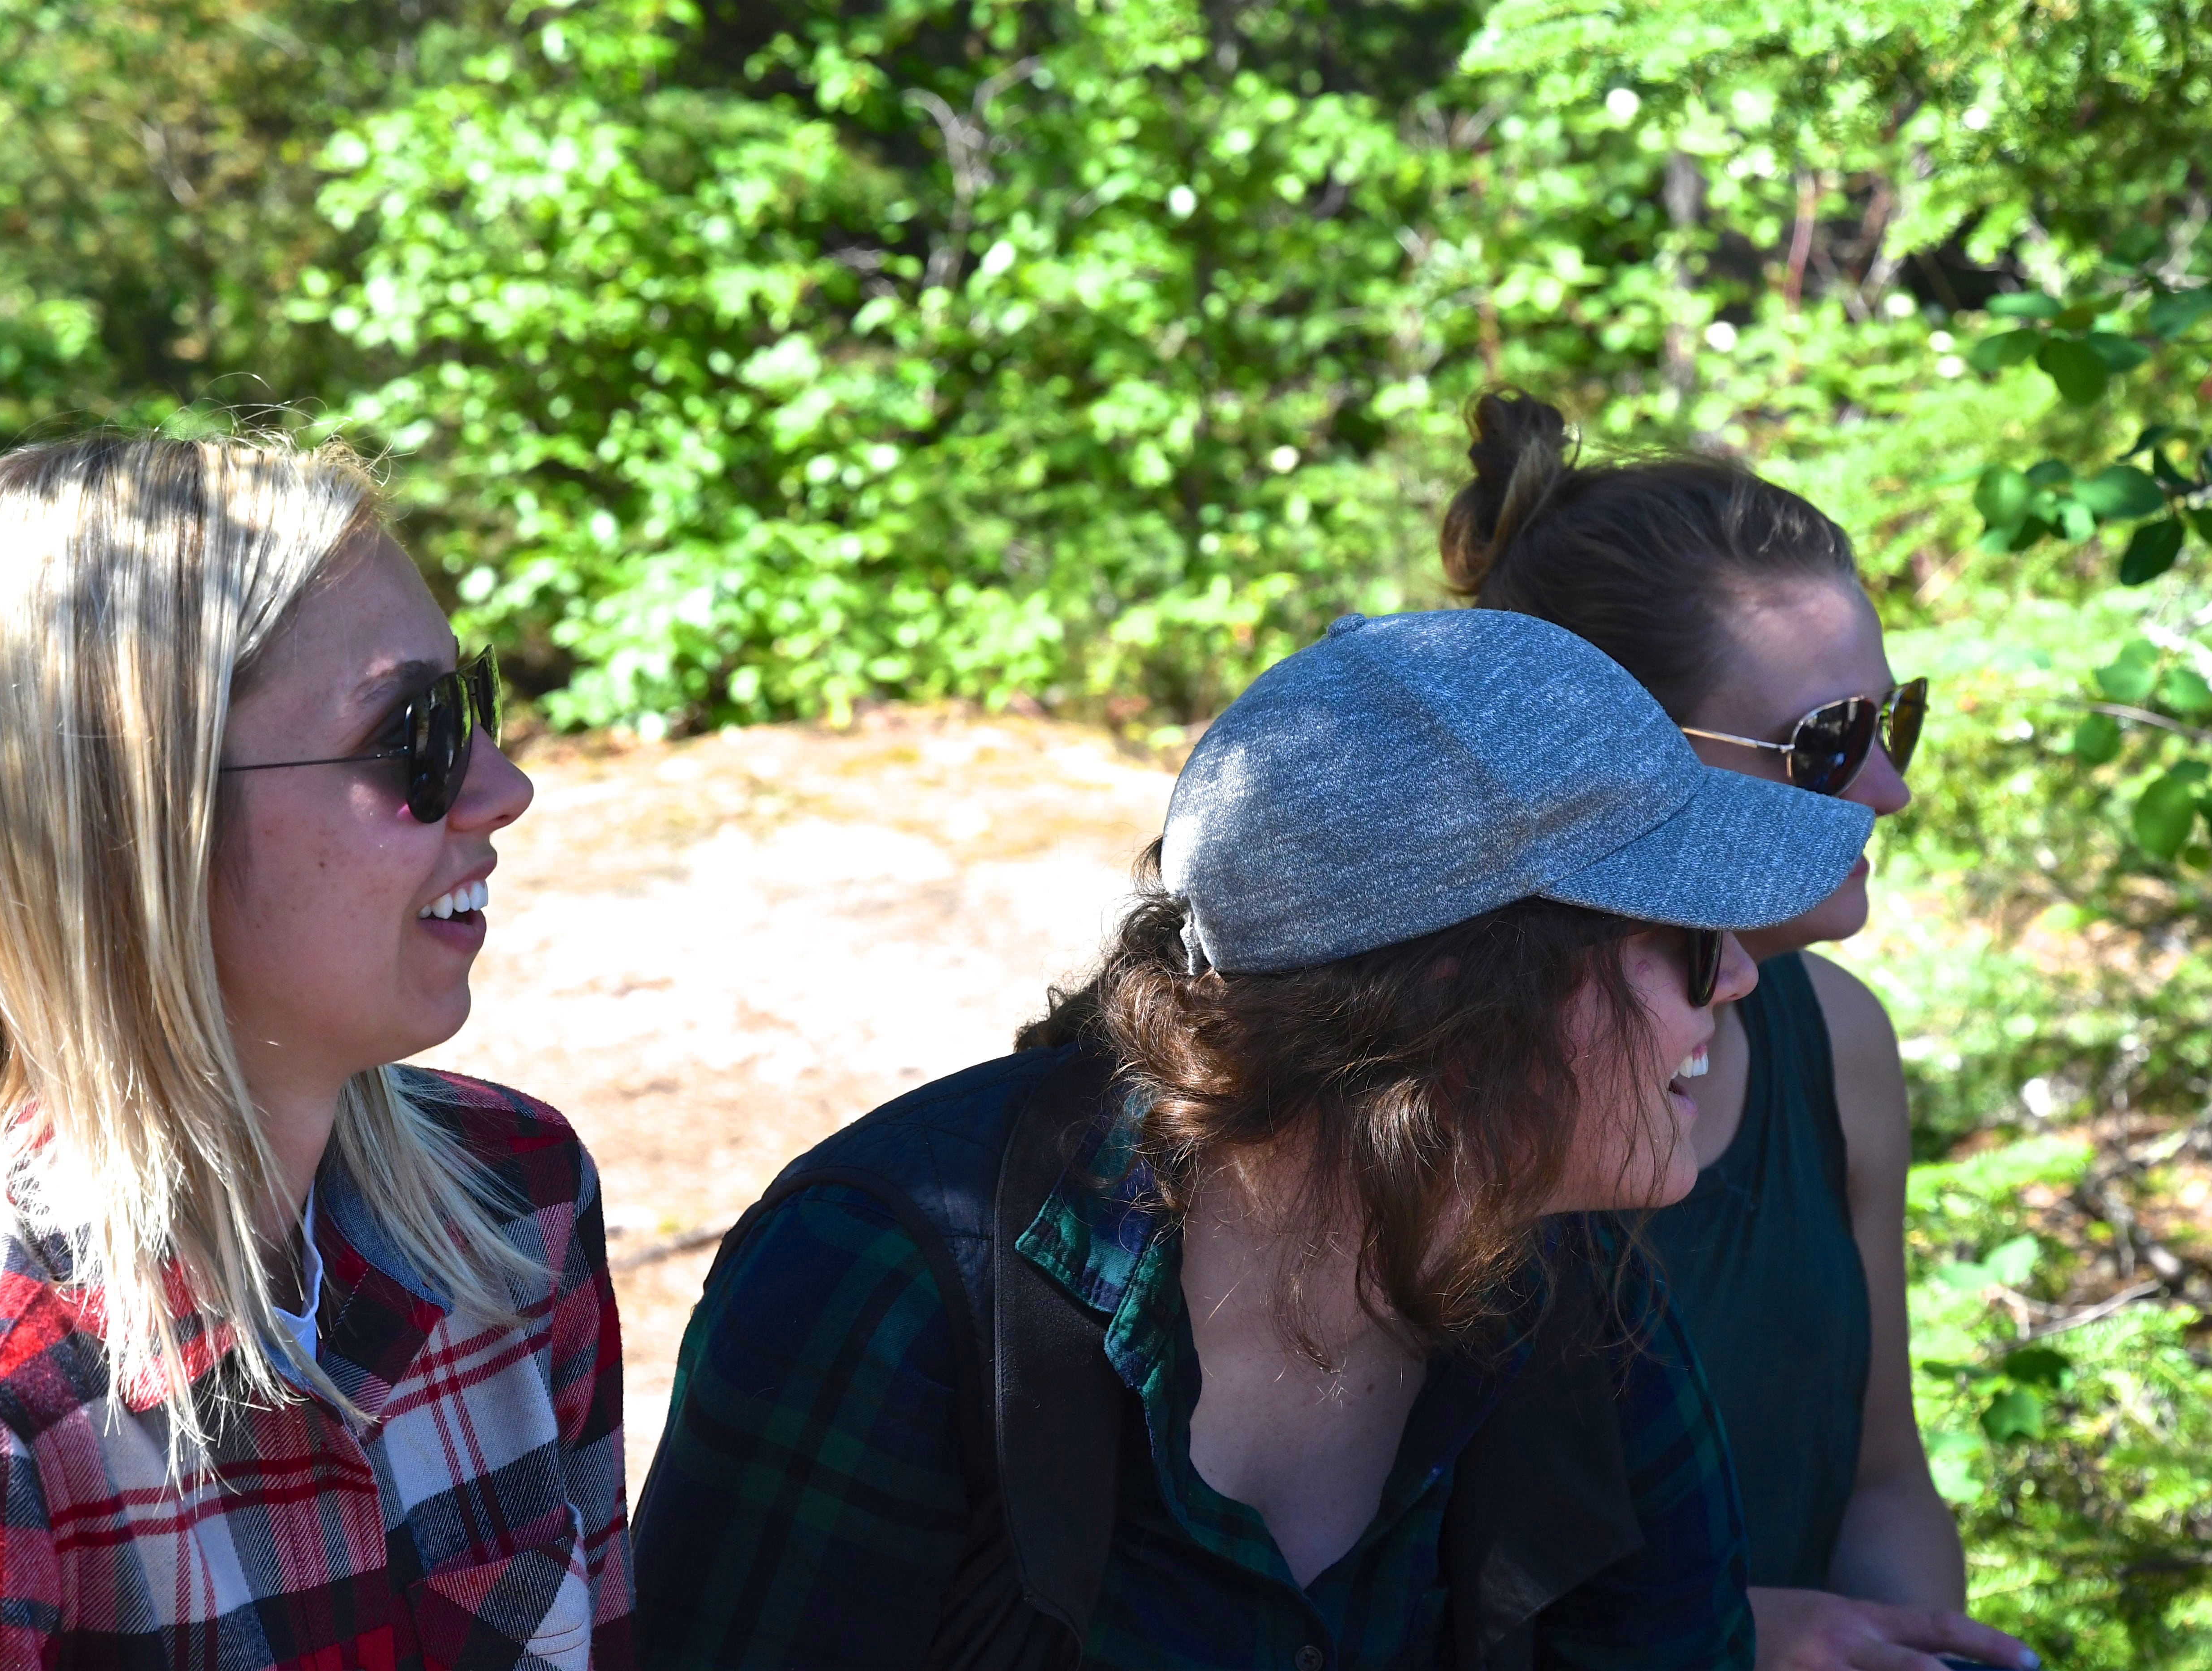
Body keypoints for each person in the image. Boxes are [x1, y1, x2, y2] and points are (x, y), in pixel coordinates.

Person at [632, 605, 1877, 1670]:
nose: (1737, 985)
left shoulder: (1587, 1309)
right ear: (1459, 998)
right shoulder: (887, 1283)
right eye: (1684, 937)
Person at [0, 434, 633, 1671]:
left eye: (473, 709)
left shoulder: (521, 1202)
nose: (503, 786)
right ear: (144, 822)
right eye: (413, 734)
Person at [1439, 390, 2036, 1671]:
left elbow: (1882, 1477)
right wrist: (1730, 1643)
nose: (1891, 788)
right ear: (1617, 759)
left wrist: (1912, 1642)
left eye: (1895, 719)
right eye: (1826, 743)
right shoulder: (1433, 1091)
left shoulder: (1841, 1047)